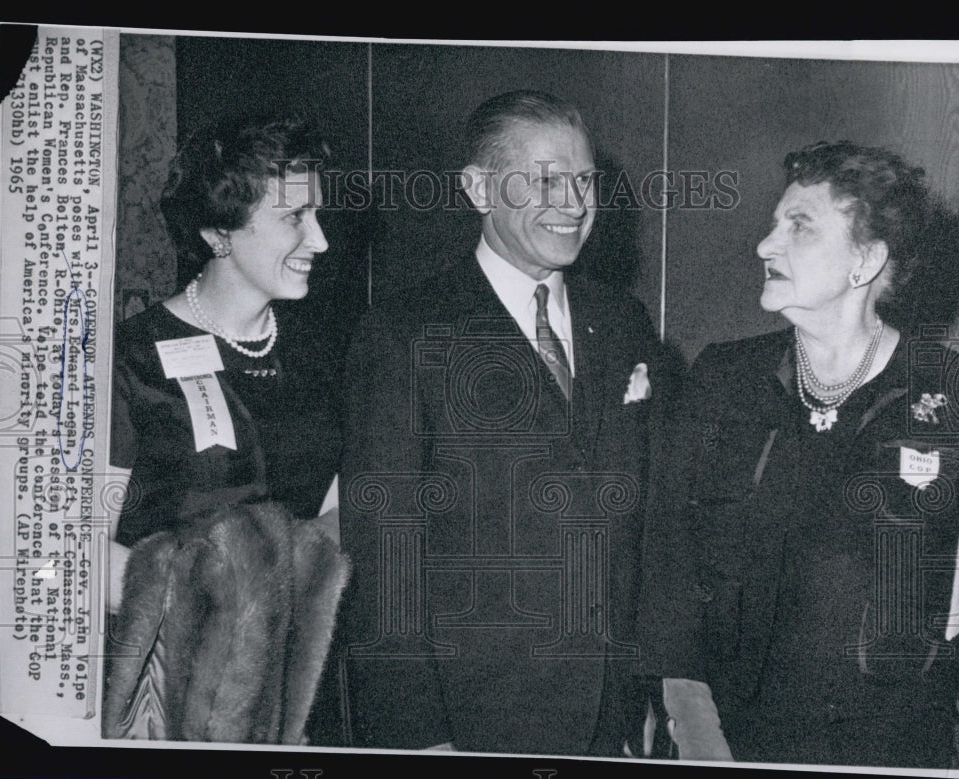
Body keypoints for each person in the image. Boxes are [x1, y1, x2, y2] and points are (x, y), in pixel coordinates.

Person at [336, 89, 724, 758]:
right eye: (546, 180)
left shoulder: (623, 320)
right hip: (474, 717)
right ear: (480, 188)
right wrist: (418, 735)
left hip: (613, 716)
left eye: (583, 180)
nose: (573, 203)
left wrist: (671, 688)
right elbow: (383, 554)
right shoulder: (405, 332)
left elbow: (656, 521)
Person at [636, 140, 959, 768]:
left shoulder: (958, 397)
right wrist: (697, 734)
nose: (766, 245)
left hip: (894, 750)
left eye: (799, 227)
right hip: (730, 744)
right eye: (773, 224)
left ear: (866, 260)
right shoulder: (721, 380)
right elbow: (669, 573)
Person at [102, 114, 348, 743]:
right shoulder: (126, 360)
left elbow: (341, 509)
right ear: (218, 232)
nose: (319, 239)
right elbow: (78, 552)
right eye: (294, 218)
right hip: (171, 697)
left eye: (316, 213)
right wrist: (222, 617)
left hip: (305, 696)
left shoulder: (328, 352)